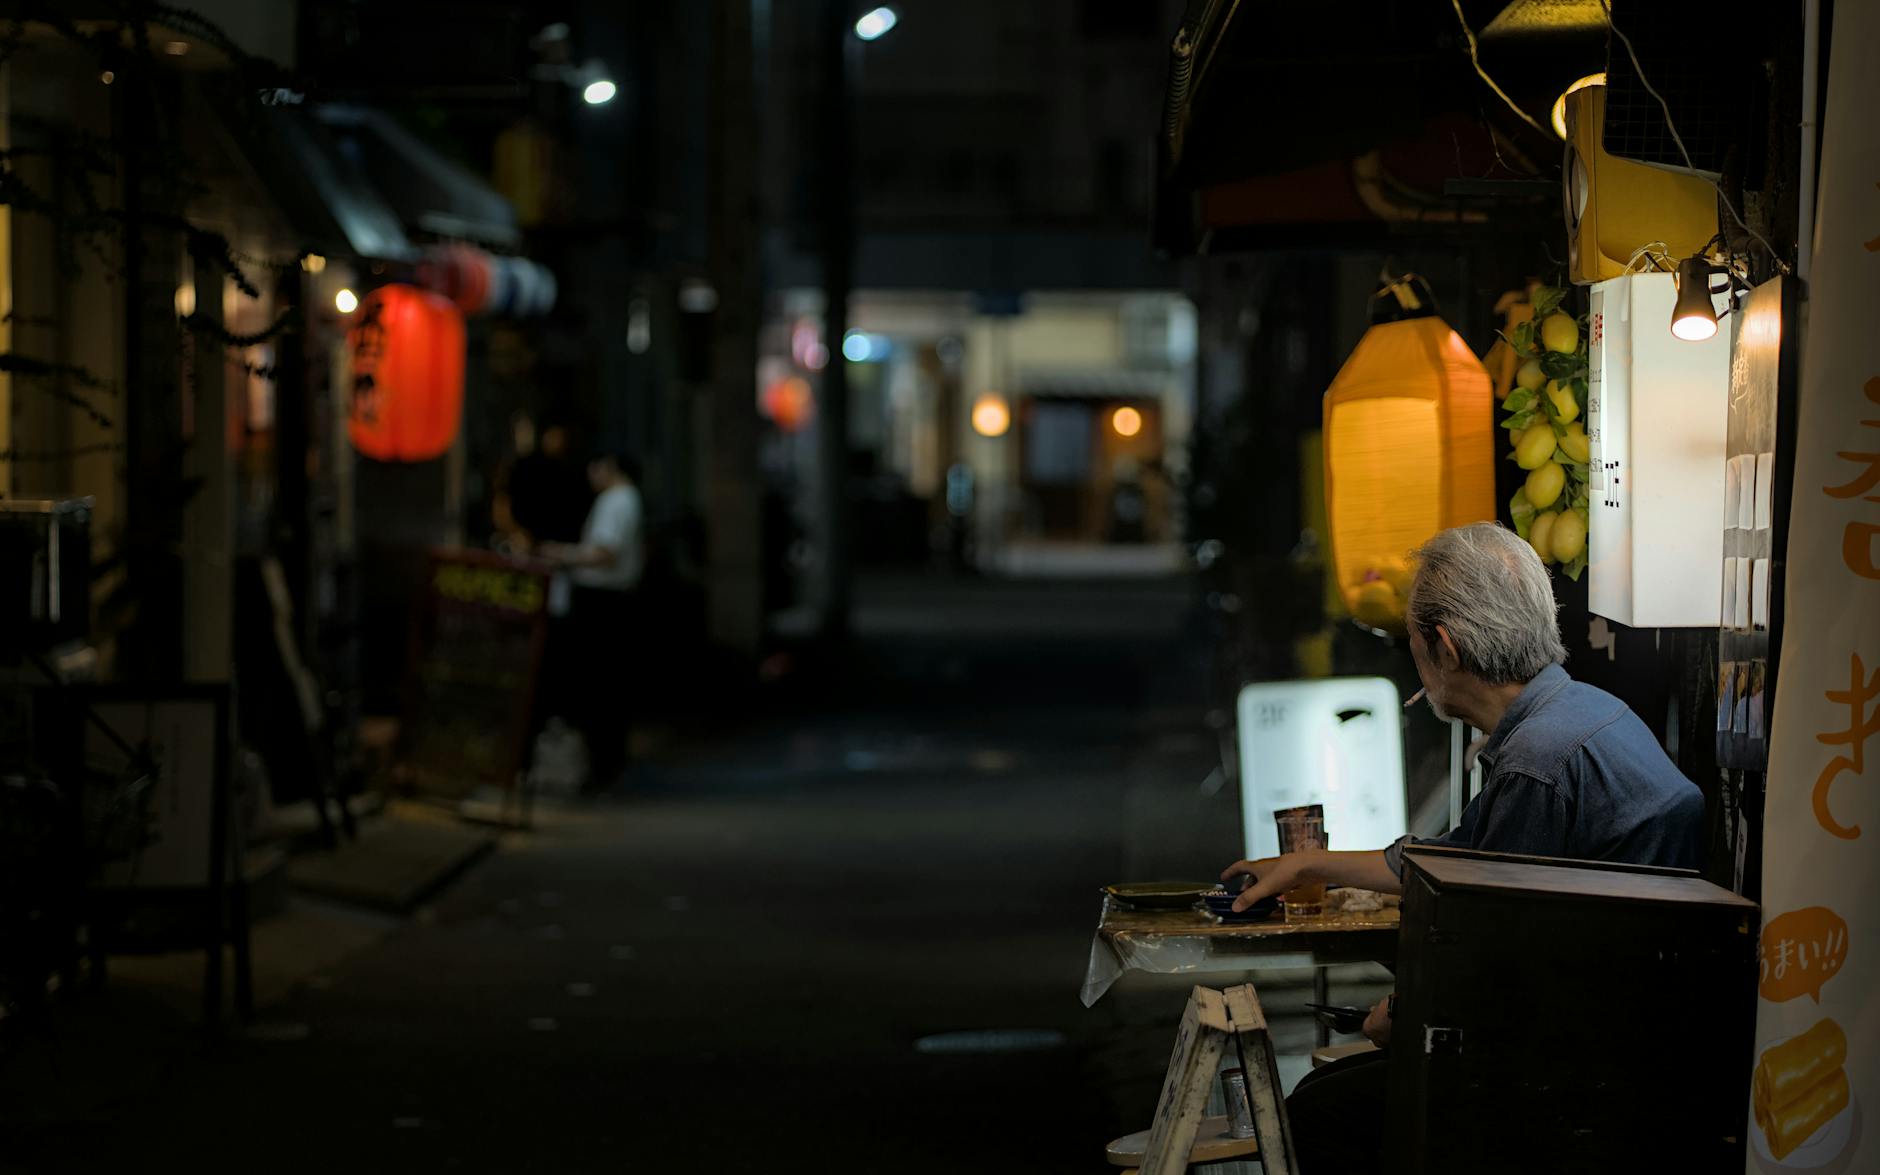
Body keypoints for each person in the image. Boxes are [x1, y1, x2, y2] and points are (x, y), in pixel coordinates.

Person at [1218, 521, 1706, 1173]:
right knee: (1328, 1090)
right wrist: (1309, 863)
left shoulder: (1537, 763)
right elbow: (1456, 856)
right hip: (1616, 1043)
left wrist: (1400, 1013)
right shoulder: (1581, 710)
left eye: (1413, 645)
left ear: (1444, 648)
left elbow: (1484, 965)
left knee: (1315, 1112)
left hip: (1580, 1078)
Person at [539, 451, 645, 790]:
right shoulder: (624, 499)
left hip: (603, 601)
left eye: (595, 467)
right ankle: (605, 762)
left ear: (609, 466)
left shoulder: (618, 500)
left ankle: (603, 764)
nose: (590, 474)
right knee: (606, 683)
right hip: (609, 600)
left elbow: (605, 553)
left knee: (600, 683)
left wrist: (562, 554)